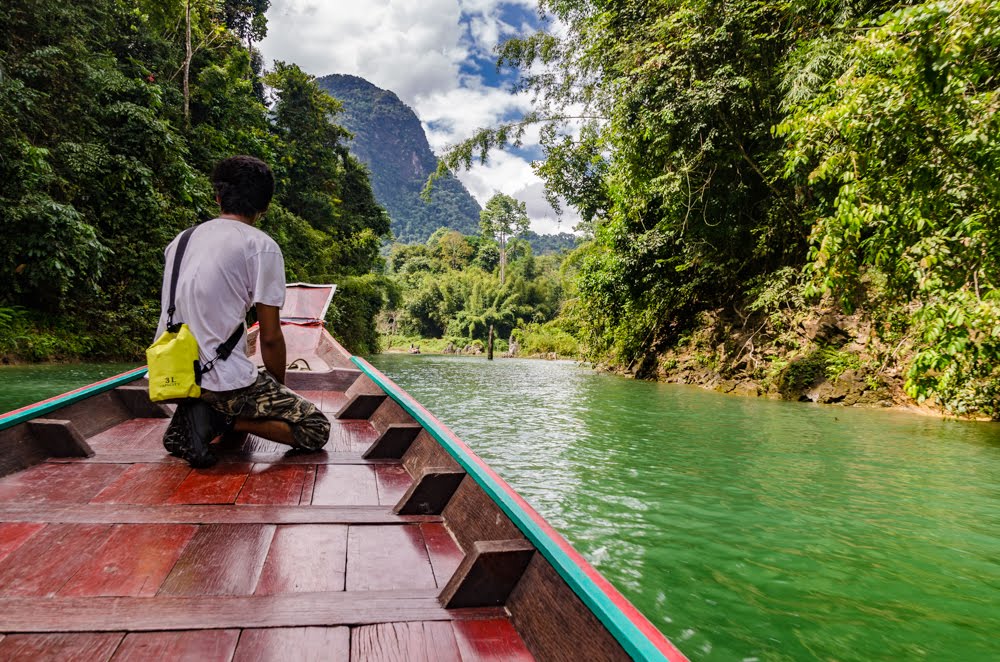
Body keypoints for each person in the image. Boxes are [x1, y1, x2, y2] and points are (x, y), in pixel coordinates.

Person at [155, 155, 331, 467]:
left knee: (226, 386)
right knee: (315, 428)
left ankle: (194, 418)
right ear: (265, 206)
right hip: (220, 382)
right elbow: (271, 336)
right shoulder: (260, 246)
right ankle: (218, 420)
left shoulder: (180, 241)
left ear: (218, 196)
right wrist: (277, 391)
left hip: (172, 375)